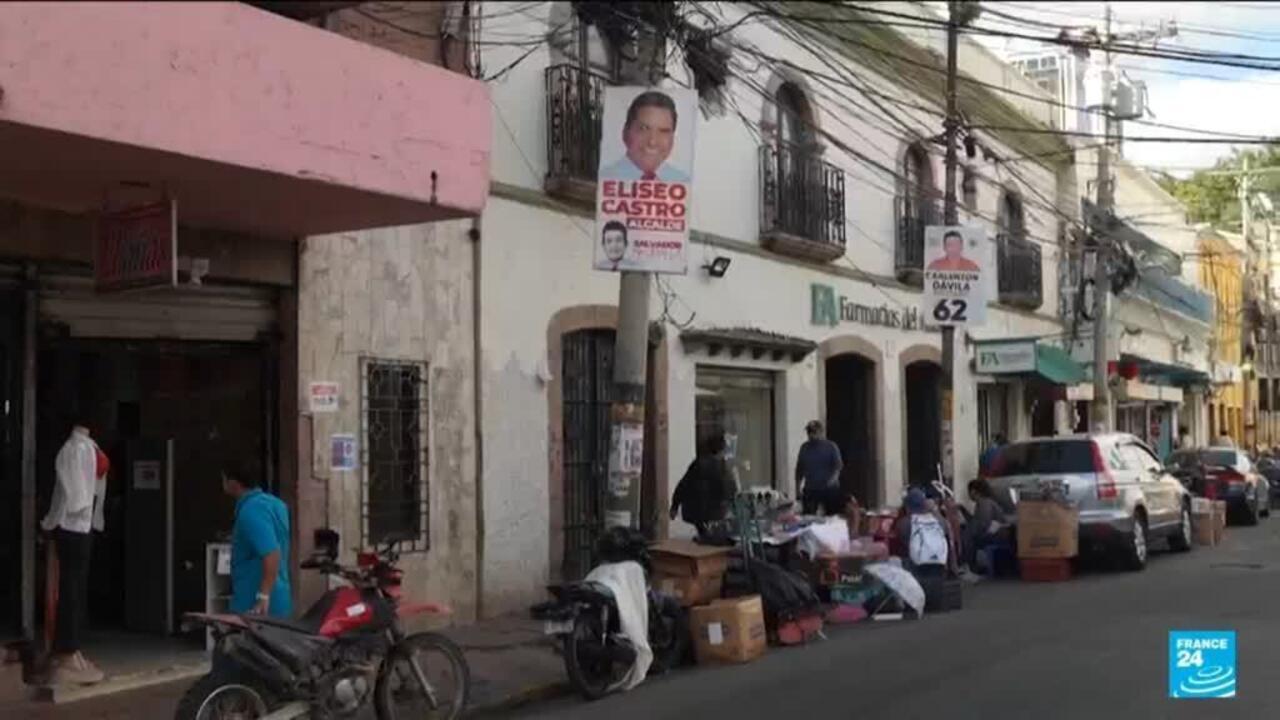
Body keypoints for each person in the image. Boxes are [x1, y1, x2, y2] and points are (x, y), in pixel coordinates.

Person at [41, 422, 108, 685]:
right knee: (70, 589)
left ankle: (73, 648)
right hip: (72, 525)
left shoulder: (88, 446)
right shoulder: (72, 449)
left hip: (83, 523)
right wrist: (54, 521)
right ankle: (66, 650)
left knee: (77, 590)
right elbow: (73, 493)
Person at [222, 463, 292, 618]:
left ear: (234, 483)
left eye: (224, 479)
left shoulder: (251, 510)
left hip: (255, 602)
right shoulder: (275, 504)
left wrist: (263, 597)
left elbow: (271, 552)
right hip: (279, 594)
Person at [601, 90, 690, 183]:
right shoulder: (603, 180)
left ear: (672, 139)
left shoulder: (683, 182)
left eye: (663, 131)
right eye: (644, 128)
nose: (652, 142)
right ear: (625, 133)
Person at [670, 434, 734, 537]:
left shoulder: (698, 464)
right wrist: (732, 505)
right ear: (721, 450)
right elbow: (728, 488)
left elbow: (683, 485)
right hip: (714, 511)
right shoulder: (721, 467)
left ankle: (704, 536)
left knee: (704, 532)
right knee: (713, 535)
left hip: (695, 511)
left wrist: (674, 506)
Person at [795, 420, 844, 516]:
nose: (811, 435)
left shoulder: (831, 447)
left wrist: (833, 479)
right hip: (811, 488)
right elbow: (799, 469)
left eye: (813, 432)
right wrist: (797, 487)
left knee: (832, 517)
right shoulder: (804, 448)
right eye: (809, 432)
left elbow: (838, 466)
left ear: (821, 432)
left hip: (829, 489)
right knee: (808, 516)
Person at [965, 479, 1011, 573]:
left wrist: (972, 533)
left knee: (968, 538)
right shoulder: (986, 502)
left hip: (997, 535)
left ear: (973, 491)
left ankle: (971, 567)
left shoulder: (984, 503)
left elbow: (983, 523)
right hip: (996, 533)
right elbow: (976, 521)